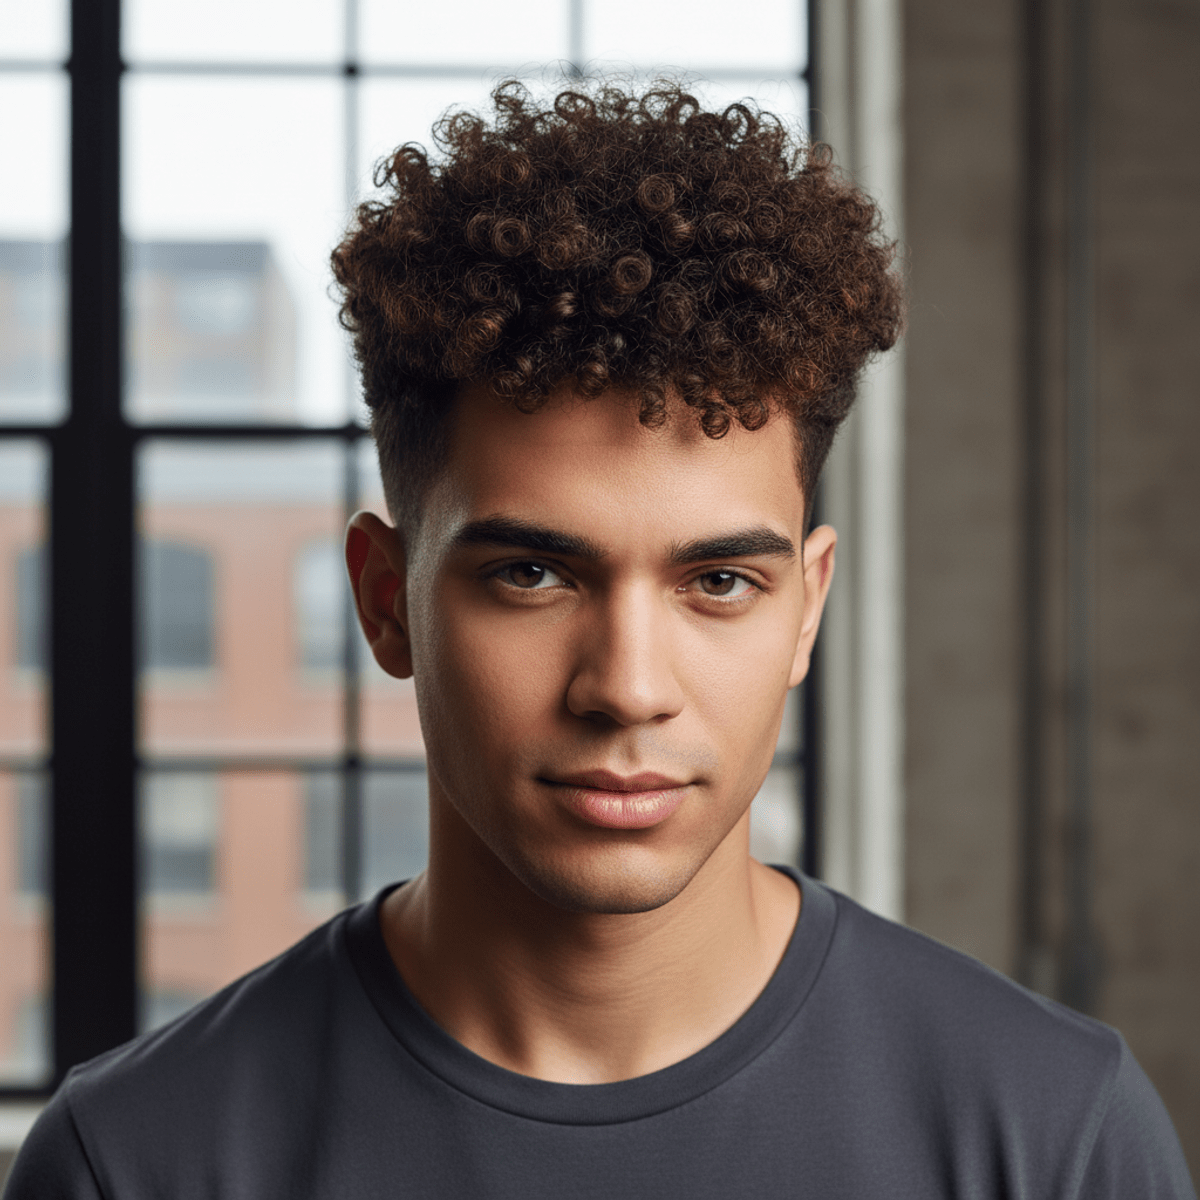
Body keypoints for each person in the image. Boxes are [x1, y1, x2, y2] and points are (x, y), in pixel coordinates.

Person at [5, 80, 1194, 1200]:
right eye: (531, 574)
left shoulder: (1054, 1138)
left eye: (719, 581)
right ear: (384, 599)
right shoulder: (138, 1162)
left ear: (808, 612)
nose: (628, 689)